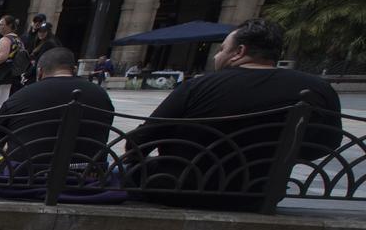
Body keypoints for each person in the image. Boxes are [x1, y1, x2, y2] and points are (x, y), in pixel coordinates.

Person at [129, 18, 344, 211]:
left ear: (239, 52)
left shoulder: (199, 85)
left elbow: (139, 142)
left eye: (222, 49)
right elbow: (327, 142)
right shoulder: (318, 88)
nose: (217, 55)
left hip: (180, 188)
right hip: (258, 195)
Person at [0, 46, 117, 196]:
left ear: (40, 71)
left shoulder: (22, 96)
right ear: (73, 69)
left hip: (26, 180)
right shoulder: (101, 95)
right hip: (88, 181)